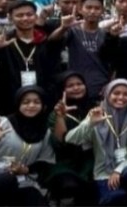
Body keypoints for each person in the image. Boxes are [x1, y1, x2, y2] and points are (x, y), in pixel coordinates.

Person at [65, 79, 127, 206]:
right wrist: (90, 123)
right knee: (115, 198)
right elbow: (71, 139)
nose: (121, 97)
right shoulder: (96, 115)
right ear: (108, 94)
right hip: (104, 173)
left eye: (126, 94)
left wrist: (119, 170)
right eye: (116, 93)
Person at [0, 0, 61, 116]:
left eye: (29, 14)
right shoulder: (3, 44)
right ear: (10, 18)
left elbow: (53, 74)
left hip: (40, 104)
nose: (25, 18)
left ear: (36, 17)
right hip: (8, 106)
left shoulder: (46, 43)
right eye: (19, 15)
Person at [0, 86, 55, 206]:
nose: (31, 105)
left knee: (35, 199)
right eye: (26, 102)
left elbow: (45, 161)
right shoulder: (1, 123)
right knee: (7, 180)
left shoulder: (44, 131)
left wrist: (26, 169)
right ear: (18, 104)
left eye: (37, 102)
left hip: (23, 180)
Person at [47, 71, 97, 205]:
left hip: (92, 160)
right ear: (62, 90)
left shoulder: (96, 108)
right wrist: (60, 117)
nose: (76, 88)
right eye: (70, 86)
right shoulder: (56, 113)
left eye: (79, 84)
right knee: (69, 184)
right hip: (67, 162)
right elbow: (59, 143)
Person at [48, 0, 109, 99]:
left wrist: (110, 84)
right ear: (80, 9)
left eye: (97, 8)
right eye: (89, 7)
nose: (92, 11)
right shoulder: (73, 31)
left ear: (103, 11)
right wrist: (63, 28)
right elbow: (52, 41)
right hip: (76, 87)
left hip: (102, 86)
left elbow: (114, 63)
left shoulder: (107, 34)